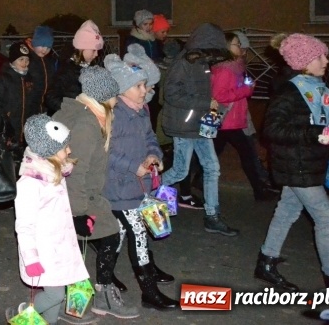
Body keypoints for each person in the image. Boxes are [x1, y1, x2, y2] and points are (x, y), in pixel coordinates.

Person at [254, 33, 329, 299]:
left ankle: (266, 262)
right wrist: (314, 134)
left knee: (287, 211)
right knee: (327, 220)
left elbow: (321, 124)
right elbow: (272, 129)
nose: (326, 61)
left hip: (307, 162)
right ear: (304, 62)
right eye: (320, 57)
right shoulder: (290, 92)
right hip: (297, 165)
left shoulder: (317, 88)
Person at [53, 66, 140, 320]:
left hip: (84, 194)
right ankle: (73, 306)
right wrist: (79, 213)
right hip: (75, 197)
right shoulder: (86, 124)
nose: (117, 98)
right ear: (103, 96)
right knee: (79, 249)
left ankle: (99, 296)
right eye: (114, 94)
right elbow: (76, 171)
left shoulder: (94, 115)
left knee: (107, 235)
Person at [103, 53, 179, 310]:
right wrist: (132, 166)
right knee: (138, 233)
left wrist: (154, 156)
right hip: (118, 186)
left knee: (118, 233)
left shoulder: (141, 112)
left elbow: (150, 138)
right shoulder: (113, 114)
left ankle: (105, 277)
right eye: (139, 86)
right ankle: (149, 292)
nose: (145, 91)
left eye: (145, 85)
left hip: (138, 185)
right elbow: (105, 150)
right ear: (123, 88)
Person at [7, 113, 95, 324]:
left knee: (58, 291)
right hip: (44, 251)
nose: (69, 150)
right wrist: (31, 258)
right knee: (55, 294)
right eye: (64, 147)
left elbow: (58, 210)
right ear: (48, 151)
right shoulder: (30, 184)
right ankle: (21, 313)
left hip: (60, 247)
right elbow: (24, 226)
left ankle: (50, 321)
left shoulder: (54, 173)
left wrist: (78, 220)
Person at [159, 23, 239, 236]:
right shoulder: (183, 63)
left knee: (212, 168)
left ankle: (212, 216)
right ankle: (146, 192)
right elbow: (171, 95)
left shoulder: (202, 62)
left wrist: (212, 109)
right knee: (180, 171)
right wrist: (206, 103)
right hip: (183, 125)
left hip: (198, 124)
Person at [211, 32, 277, 201]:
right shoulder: (225, 69)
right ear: (226, 47)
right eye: (236, 44)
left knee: (213, 153)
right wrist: (246, 90)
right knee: (247, 154)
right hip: (227, 120)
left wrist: (247, 86)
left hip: (232, 119)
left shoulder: (236, 67)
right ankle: (259, 191)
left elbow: (234, 89)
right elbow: (219, 95)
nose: (240, 47)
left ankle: (195, 179)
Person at [46, 20, 104, 114]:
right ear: (81, 49)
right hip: (70, 118)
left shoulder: (93, 68)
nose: (97, 54)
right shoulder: (66, 70)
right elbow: (51, 98)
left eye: (98, 51)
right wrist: (74, 107)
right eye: (93, 50)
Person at [0, 40, 34, 150]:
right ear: (13, 60)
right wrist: (5, 119)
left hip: (25, 124)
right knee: (10, 152)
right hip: (10, 124)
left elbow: (32, 99)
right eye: (21, 59)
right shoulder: (3, 78)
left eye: (27, 59)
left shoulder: (29, 78)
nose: (25, 63)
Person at [25, 25, 58, 115]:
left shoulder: (49, 61)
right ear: (35, 43)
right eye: (42, 45)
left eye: (48, 47)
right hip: (30, 104)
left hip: (46, 105)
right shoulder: (27, 59)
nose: (45, 50)